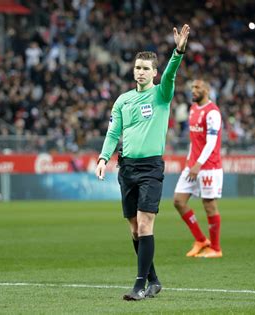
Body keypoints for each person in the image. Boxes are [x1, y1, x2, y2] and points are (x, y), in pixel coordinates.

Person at [95, 24, 190, 301]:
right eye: (137, 67)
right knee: (135, 229)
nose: (140, 72)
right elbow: (113, 132)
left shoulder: (162, 94)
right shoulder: (122, 100)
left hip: (150, 169)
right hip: (126, 169)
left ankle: (139, 285)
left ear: (154, 73)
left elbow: (172, 73)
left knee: (146, 225)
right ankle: (154, 280)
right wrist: (103, 158)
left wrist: (178, 51)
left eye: (146, 69)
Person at [173, 79, 223, 258]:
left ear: (207, 90)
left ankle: (216, 248)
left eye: (197, 88)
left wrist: (198, 164)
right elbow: (194, 141)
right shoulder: (193, 109)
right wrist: (189, 161)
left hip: (208, 167)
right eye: (192, 88)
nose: (193, 91)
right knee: (179, 201)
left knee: (209, 205)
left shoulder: (213, 113)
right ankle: (201, 239)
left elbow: (211, 142)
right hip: (192, 165)